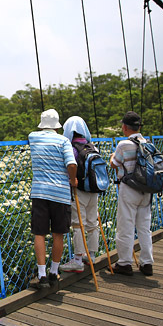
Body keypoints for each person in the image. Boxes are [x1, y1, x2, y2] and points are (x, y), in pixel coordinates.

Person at [29, 109, 78, 287]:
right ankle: (53, 272)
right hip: (61, 193)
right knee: (58, 234)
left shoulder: (32, 137)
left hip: (40, 192)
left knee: (39, 233)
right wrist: (72, 180)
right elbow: (71, 164)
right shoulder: (63, 141)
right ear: (57, 125)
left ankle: (41, 275)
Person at [109, 111, 153, 276]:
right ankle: (147, 263)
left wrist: (113, 155)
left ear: (125, 127)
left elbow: (114, 164)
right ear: (139, 127)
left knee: (125, 226)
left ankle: (124, 263)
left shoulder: (123, 144)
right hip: (147, 190)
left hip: (129, 189)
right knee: (144, 228)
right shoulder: (147, 143)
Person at [59, 116, 99, 273]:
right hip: (94, 190)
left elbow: (69, 167)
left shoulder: (71, 148)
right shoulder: (93, 147)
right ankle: (92, 255)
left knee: (77, 224)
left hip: (78, 190)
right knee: (92, 222)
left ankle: (77, 259)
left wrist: (72, 179)